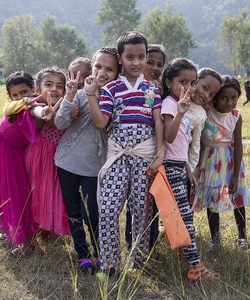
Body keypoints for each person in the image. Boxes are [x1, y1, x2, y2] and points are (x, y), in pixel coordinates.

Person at [86, 31, 165, 276]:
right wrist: (91, 96)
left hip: (145, 157)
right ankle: (110, 263)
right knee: (108, 208)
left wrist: (160, 152)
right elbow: (101, 123)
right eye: (130, 57)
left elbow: (157, 122)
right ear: (120, 58)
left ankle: (138, 259)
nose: (136, 62)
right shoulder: (111, 89)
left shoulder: (151, 89)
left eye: (141, 57)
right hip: (118, 156)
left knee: (142, 210)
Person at [54, 48, 120, 273]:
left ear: (118, 73)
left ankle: (101, 253)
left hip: (95, 166)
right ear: (92, 67)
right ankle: (82, 253)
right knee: (73, 210)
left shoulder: (117, 98)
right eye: (98, 67)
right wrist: (69, 97)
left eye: (109, 69)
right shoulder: (80, 94)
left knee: (94, 212)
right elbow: (60, 123)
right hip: (67, 162)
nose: (102, 73)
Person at [0, 71, 49, 257]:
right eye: (15, 94)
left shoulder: (37, 105)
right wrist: (22, 101)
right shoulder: (14, 105)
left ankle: (27, 241)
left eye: (24, 92)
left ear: (34, 89)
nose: (20, 97)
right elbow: (8, 109)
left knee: (17, 194)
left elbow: (39, 112)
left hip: (13, 152)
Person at [160, 58, 220, 280]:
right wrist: (180, 112)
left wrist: (187, 169)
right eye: (183, 81)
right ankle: (195, 266)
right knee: (184, 216)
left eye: (192, 82)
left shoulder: (182, 106)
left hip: (178, 166)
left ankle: (188, 257)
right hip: (168, 167)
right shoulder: (170, 104)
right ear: (169, 82)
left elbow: (180, 147)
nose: (189, 87)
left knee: (182, 215)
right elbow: (169, 137)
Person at [193, 75, 250, 252]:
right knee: (212, 198)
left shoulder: (236, 116)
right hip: (209, 159)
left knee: (237, 198)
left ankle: (242, 236)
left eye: (234, 98)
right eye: (224, 98)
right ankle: (215, 240)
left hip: (230, 159)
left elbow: (238, 144)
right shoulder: (206, 112)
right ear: (215, 97)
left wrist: (235, 174)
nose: (229, 102)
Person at [125, 43, 167, 252]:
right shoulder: (128, 87)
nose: (155, 67)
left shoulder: (159, 91)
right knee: (134, 199)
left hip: (154, 151)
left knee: (152, 198)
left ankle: (149, 241)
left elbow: (158, 118)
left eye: (160, 64)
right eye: (150, 62)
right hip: (131, 151)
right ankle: (130, 241)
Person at [25, 67, 71, 239]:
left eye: (59, 86)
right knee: (38, 189)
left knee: (54, 190)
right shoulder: (35, 104)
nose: (54, 89)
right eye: (48, 84)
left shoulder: (66, 104)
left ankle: (49, 225)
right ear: (38, 89)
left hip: (58, 155)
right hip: (40, 154)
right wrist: (44, 112)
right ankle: (36, 224)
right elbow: (40, 114)